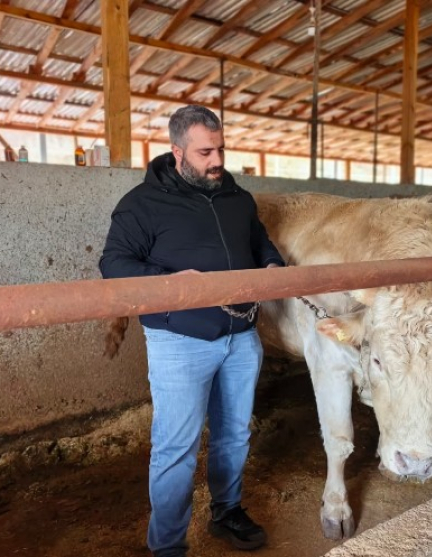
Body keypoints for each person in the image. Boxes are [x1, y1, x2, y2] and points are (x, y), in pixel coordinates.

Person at [99, 105, 284, 556]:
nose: (217, 160)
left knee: (234, 434)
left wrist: (272, 265)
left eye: (220, 149)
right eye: (205, 153)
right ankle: (167, 545)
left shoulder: (238, 198)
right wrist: (169, 282)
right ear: (177, 151)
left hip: (241, 336)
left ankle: (226, 511)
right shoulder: (142, 204)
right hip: (179, 341)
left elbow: (260, 243)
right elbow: (114, 263)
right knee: (177, 447)